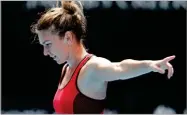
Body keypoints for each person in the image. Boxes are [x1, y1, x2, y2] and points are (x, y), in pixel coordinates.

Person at [31, 1, 175, 114]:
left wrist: (149, 65)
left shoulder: (92, 68)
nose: (45, 52)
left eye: (48, 44)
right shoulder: (66, 69)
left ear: (68, 37)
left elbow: (120, 67)